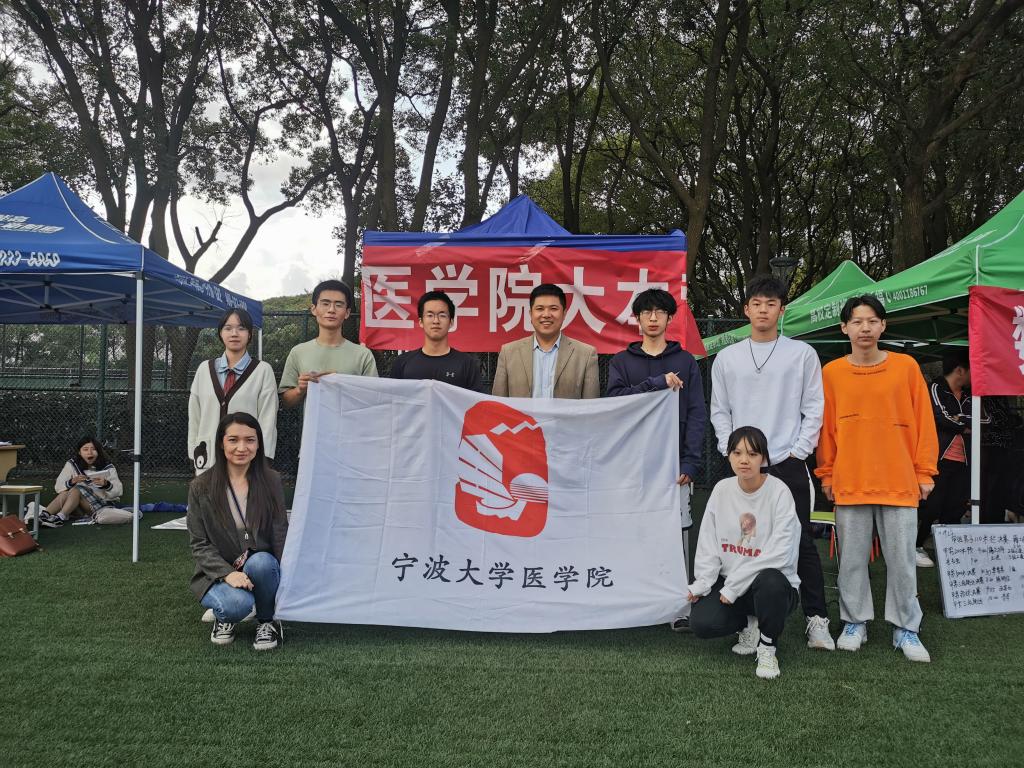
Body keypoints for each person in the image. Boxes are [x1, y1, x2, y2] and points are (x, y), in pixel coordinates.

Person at [709, 275, 833, 651]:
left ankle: (817, 619)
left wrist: (798, 450)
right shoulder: (728, 358)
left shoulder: (801, 354)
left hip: (786, 461)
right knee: (743, 540)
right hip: (742, 464)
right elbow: (720, 410)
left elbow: (814, 407)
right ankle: (750, 620)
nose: (763, 310)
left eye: (771, 304)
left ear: (782, 310)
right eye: (757, 303)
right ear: (746, 309)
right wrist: (731, 451)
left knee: (801, 541)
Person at [816, 294, 937, 663]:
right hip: (850, 480)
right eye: (857, 321)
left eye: (872, 321)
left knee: (902, 561)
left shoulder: (906, 367)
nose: (864, 328)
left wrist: (925, 470)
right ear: (844, 328)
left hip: (899, 480)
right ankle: (855, 622)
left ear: (883, 326)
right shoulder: (831, 373)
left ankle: (906, 627)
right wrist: (827, 473)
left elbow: (924, 421)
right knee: (851, 560)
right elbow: (826, 430)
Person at [606, 288, 706, 632]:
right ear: (637, 319)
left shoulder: (686, 361)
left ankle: (677, 605)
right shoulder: (622, 362)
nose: (652, 318)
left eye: (659, 312)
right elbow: (614, 404)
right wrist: (656, 384)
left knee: (676, 535)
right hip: (631, 466)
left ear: (669, 318)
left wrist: (690, 463)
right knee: (630, 531)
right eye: (646, 312)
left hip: (674, 466)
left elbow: (697, 414)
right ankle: (633, 599)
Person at [688, 426, 801, 680]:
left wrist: (734, 586)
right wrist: (703, 583)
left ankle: (767, 646)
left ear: (764, 458)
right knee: (702, 623)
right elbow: (708, 543)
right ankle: (749, 625)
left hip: (772, 586)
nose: (744, 460)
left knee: (771, 582)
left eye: (752, 454)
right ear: (728, 456)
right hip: (732, 584)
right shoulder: (721, 490)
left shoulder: (779, 492)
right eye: (737, 453)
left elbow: (781, 554)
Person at [187, 412, 288, 650]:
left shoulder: (271, 480)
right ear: (221, 443)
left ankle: (267, 621)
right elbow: (199, 543)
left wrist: (286, 574)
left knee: (263, 563)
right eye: (233, 440)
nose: (242, 448)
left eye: (250, 440)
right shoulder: (201, 486)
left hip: (259, 564)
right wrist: (227, 574)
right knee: (235, 605)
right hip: (219, 571)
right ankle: (227, 616)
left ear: (258, 444)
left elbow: (279, 530)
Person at [188, 307, 278, 474]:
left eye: (241, 328)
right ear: (220, 333)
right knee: (207, 492)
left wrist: (263, 460)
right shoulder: (204, 369)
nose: (234, 333)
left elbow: (268, 420)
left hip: (246, 460)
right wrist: (194, 451)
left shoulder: (263, 371)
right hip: (208, 457)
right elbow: (195, 416)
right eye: (228, 328)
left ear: (250, 334)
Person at [914, 349, 977, 566]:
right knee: (932, 505)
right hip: (938, 458)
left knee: (956, 506)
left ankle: (950, 550)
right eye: (973, 370)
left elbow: (984, 421)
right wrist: (964, 425)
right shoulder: (935, 388)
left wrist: (960, 419)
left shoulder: (971, 394)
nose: (975, 375)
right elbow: (940, 417)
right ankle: (916, 545)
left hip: (964, 460)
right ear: (960, 370)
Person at [280, 279, 378, 409]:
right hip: (312, 423)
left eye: (338, 305)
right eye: (325, 304)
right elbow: (285, 401)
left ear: (347, 312)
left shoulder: (363, 355)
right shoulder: (298, 352)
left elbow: (374, 399)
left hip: (353, 422)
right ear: (314, 309)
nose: (331, 310)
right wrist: (300, 389)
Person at [491, 284, 599, 399]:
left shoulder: (586, 355)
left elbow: (591, 407)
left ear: (564, 314)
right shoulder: (508, 353)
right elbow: (498, 404)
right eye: (540, 309)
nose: (546, 315)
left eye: (553, 309)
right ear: (530, 314)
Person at [388, 290, 484, 391]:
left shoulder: (466, 364)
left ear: (451, 322)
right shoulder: (402, 362)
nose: (436, 321)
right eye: (430, 315)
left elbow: (478, 399)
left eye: (442, 315)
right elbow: (392, 398)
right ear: (421, 322)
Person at [31, 436, 124, 527]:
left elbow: (119, 491)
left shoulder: (108, 467)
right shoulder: (72, 464)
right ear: (79, 452)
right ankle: (44, 515)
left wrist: (106, 484)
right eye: (85, 449)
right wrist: (72, 481)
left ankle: (60, 518)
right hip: (78, 508)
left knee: (77, 489)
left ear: (98, 452)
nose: (89, 452)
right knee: (66, 492)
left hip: (101, 507)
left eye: (93, 449)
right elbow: (58, 487)